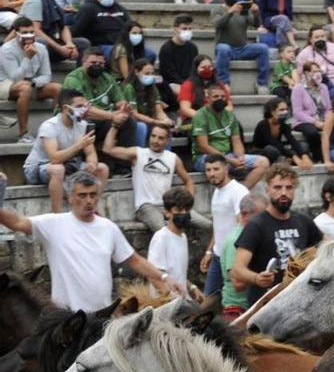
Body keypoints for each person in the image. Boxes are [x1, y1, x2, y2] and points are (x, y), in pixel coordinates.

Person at [0, 172, 181, 312]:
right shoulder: (53, 224)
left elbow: (134, 260)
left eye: (93, 195)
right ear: (70, 197)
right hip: (66, 316)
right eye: (82, 195)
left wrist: (164, 277)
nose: (89, 201)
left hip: (101, 313)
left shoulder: (108, 227)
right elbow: (17, 222)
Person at [231, 164, 322, 305]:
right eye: (277, 187)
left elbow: (325, 248)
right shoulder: (256, 225)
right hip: (266, 305)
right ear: (268, 190)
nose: (283, 192)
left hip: (299, 302)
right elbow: (237, 270)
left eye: (289, 187)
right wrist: (256, 278)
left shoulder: (304, 222)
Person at [102, 124, 208, 233]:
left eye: (160, 138)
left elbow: (188, 181)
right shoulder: (138, 153)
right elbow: (108, 149)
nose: (155, 140)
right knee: (164, 231)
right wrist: (115, 125)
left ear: (167, 141)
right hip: (146, 206)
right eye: (153, 136)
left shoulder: (173, 158)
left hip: (169, 205)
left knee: (208, 226)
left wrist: (186, 205)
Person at [23, 89, 109, 212]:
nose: (84, 109)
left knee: (102, 168)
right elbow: (54, 158)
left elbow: (90, 153)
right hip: (38, 167)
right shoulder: (49, 126)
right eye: (79, 106)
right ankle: (57, 215)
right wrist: (78, 146)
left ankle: (92, 209)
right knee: (58, 169)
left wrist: (92, 164)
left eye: (84, 106)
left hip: (68, 165)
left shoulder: (82, 125)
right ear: (65, 108)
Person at [62, 47, 147, 156]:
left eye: (100, 63)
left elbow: (120, 100)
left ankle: (123, 167)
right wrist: (111, 116)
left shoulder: (107, 79)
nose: (97, 65)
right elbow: (83, 110)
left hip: (103, 119)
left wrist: (124, 108)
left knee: (128, 121)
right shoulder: (73, 80)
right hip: (78, 120)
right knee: (86, 124)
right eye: (93, 62)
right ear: (84, 61)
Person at [192, 85, 269, 188]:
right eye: (216, 96)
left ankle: (242, 192)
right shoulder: (200, 115)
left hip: (228, 156)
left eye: (223, 96)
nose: (220, 99)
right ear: (208, 99)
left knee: (263, 162)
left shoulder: (230, 115)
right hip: (204, 157)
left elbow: (236, 141)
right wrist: (230, 161)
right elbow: (203, 146)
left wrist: (240, 159)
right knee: (220, 166)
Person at [1, 17, 59, 144]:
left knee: (57, 88)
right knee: (24, 88)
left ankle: (56, 130)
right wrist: (28, 58)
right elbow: (14, 77)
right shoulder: (6, 49)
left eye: (32, 32)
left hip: (30, 84)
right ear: (16, 33)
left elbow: (46, 75)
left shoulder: (41, 48)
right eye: (25, 32)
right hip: (6, 84)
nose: (29, 35)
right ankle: (23, 134)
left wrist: (34, 83)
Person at [199, 154, 249, 298]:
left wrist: (239, 260)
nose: (212, 174)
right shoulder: (216, 191)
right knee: (208, 301)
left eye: (216, 169)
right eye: (208, 170)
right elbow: (219, 226)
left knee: (234, 303)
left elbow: (244, 226)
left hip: (233, 259)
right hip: (217, 256)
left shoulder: (238, 191)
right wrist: (209, 252)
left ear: (226, 169)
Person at [220, 193, 268, 319]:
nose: (265, 220)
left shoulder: (253, 236)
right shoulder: (234, 240)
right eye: (261, 215)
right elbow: (238, 284)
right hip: (238, 309)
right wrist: (262, 274)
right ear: (245, 214)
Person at [213, 0, 270, 95]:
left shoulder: (243, 10)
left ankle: (262, 84)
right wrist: (230, 12)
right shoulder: (217, 9)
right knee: (223, 48)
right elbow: (218, 24)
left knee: (263, 48)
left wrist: (256, 12)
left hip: (242, 48)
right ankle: (223, 84)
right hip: (225, 49)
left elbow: (256, 24)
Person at [145, 186, 196, 295]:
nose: (183, 213)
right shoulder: (161, 238)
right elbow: (154, 276)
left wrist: (192, 287)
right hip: (166, 304)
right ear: (167, 213)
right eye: (178, 210)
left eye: (187, 210)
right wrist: (171, 299)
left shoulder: (183, 237)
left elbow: (176, 273)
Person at [18, 0, 86, 66]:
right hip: (26, 45)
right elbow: (35, 30)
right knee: (40, 42)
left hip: (51, 43)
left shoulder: (53, 3)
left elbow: (63, 27)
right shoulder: (35, 1)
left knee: (83, 43)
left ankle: (79, 75)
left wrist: (70, 44)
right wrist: (59, 48)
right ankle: (36, 72)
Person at [253, 97, 313, 168]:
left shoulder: (284, 123)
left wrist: (304, 155)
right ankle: (287, 160)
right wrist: (294, 156)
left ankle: (288, 160)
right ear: (272, 112)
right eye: (281, 110)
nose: (285, 112)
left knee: (303, 145)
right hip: (263, 152)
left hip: (279, 149)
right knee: (271, 149)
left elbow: (292, 140)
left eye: (286, 109)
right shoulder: (262, 125)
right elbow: (274, 143)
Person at [298, 24, 334, 95]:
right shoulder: (304, 54)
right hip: (316, 85)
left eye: (322, 36)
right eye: (317, 37)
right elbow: (299, 73)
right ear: (310, 40)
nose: (320, 39)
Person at [291, 61, 330, 162]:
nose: (317, 74)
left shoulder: (323, 87)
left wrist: (327, 120)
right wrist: (315, 122)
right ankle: (318, 157)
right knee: (312, 132)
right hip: (303, 121)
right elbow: (297, 112)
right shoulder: (298, 88)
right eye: (314, 71)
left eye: (318, 71)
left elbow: (328, 108)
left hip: (322, 119)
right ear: (306, 73)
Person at [121, 60, 171, 134]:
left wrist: (166, 120)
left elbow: (158, 110)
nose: (150, 76)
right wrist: (155, 122)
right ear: (136, 72)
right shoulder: (129, 88)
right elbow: (134, 114)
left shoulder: (152, 87)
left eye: (152, 73)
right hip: (132, 122)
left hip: (148, 120)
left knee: (165, 129)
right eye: (147, 74)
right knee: (142, 126)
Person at [178, 54, 230, 123]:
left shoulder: (220, 85)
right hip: (195, 119)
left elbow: (229, 107)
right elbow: (185, 109)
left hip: (218, 118)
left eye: (210, 67)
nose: (207, 70)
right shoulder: (188, 85)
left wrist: (219, 117)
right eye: (203, 67)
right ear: (196, 68)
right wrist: (207, 118)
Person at [158, 15, 197, 104]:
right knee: (186, 93)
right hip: (172, 83)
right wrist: (185, 84)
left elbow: (194, 69)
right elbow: (168, 73)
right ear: (175, 29)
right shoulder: (166, 48)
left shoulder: (192, 47)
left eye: (190, 29)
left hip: (189, 81)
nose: (187, 31)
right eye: (184, 28)